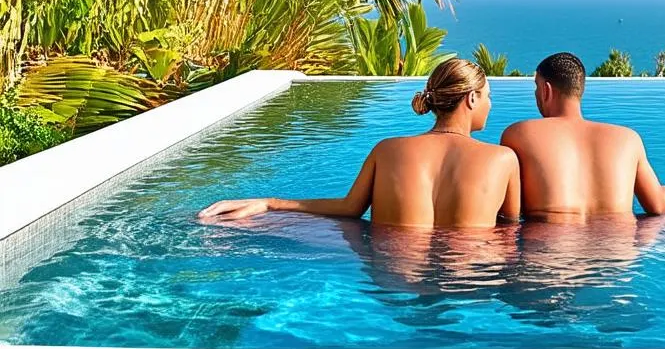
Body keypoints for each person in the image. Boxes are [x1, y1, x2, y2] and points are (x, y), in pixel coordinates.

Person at [198, 59, 521, 229]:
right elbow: (511, 228)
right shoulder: (503, 159)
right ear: (473, 97)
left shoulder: (388, 149)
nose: (489, 105)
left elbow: (349, 209)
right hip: (468, 275)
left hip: (393, 270)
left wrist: (269, 203)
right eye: (489, 97)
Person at [500, 52, 665, 223]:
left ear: (546, 90)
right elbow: (657, 205)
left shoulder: (520, 134)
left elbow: (508, 214)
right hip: (616, 261)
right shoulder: (627, 139)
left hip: (550, 260)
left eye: (536, 87)